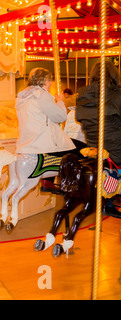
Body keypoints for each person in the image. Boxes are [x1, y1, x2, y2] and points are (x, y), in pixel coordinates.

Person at [15, 68, 84, 193]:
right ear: (43, 80)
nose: (51, 83)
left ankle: (49, 180)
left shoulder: (22, 96)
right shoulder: (41, 95)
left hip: (28, 142)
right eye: (49, 80)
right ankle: (70, 184)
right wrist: (60, 101)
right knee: (82, 151)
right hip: (42, 142)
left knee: (67, 144)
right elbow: (60, 116)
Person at [76, 60, 121, 217]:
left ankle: (107, 200)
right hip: (114, 150)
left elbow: (80, 118)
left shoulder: (81, 95)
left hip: (94, 147)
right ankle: (109, 199)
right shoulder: (116, 95)